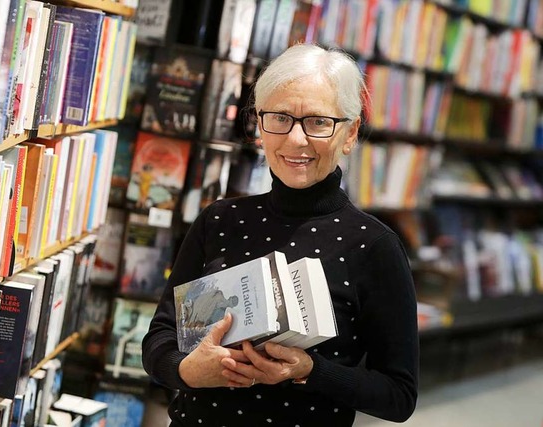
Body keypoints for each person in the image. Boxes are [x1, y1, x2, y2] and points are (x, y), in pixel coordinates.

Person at [142, 44, 418, 426]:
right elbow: (159, 339)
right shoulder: (219, 220)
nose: (296, 140)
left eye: (318, 122)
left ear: (350, 133)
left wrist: (309, 370)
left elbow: (399, 396)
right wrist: (188, 371)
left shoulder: (372, 245)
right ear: (259, 125)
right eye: (280, 118)